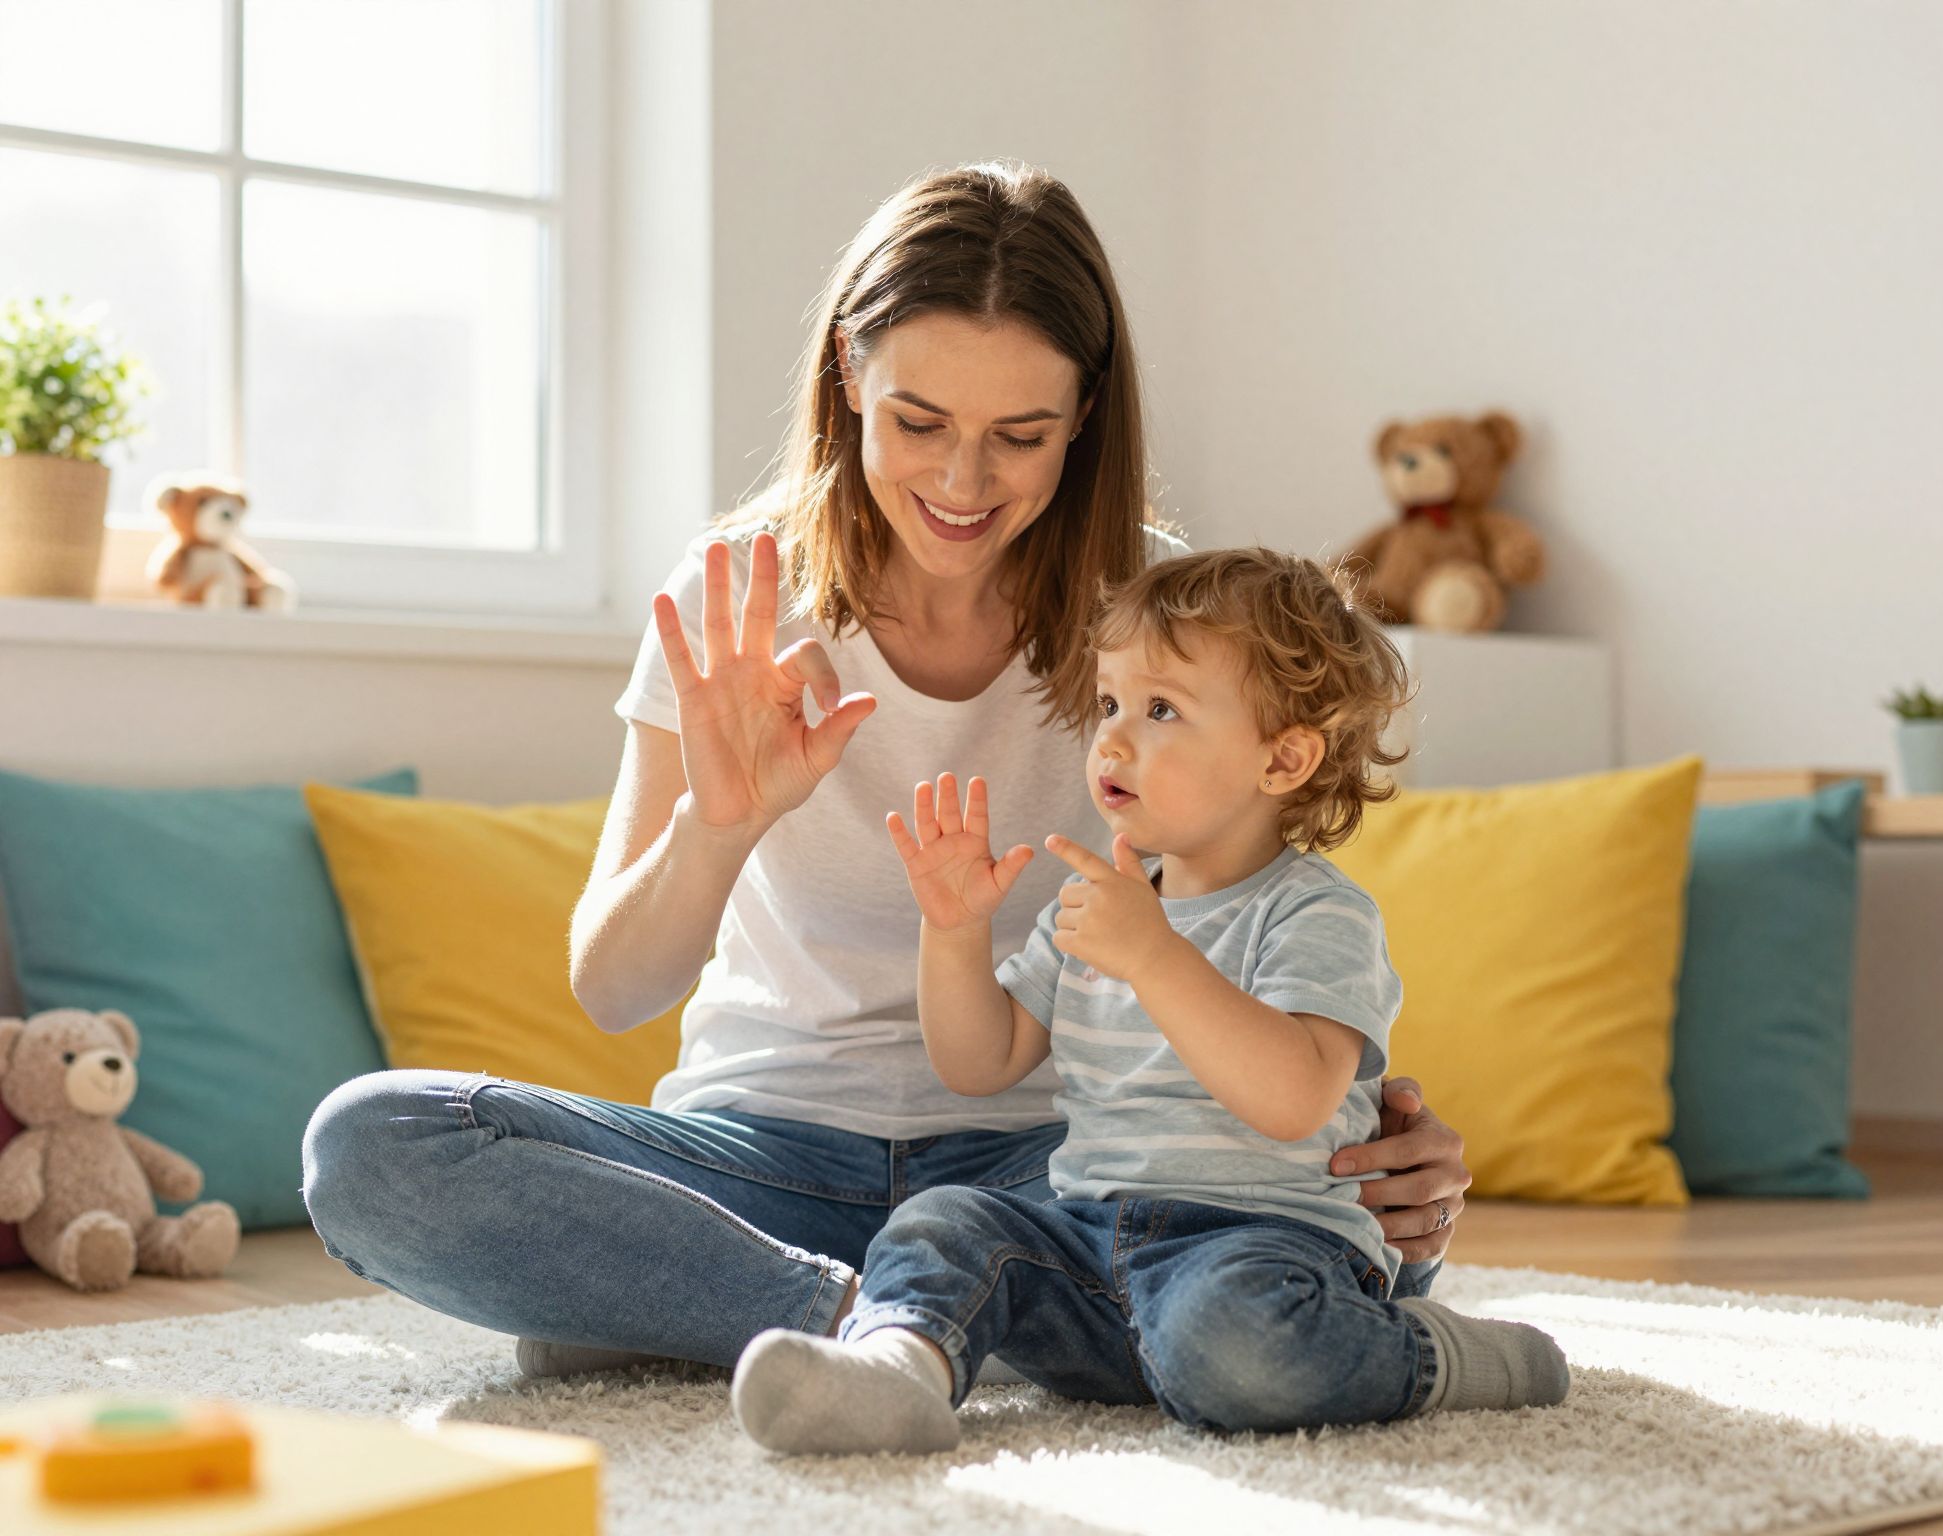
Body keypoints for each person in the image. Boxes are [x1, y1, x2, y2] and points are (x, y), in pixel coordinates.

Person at [300, 161, 1472, 1382]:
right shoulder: (736, 593)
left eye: (1019, 437)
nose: (962, 484)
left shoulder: (1157, 618)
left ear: (1083, 414)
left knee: (1270, 1263)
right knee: (376, 1145)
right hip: (762, 1155)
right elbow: (613, 989)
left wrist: (1361, 1143)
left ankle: (745, 1309)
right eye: (918, 423)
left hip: (1056, 1174)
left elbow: (1260, 920)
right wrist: (718, 823)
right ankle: (882, 1317)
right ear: (848, 376)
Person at [730, 549, 1567, 1455]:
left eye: (1160, 709)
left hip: (1263, 1248)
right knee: (944, 1222)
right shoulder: (1096, 903)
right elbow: (977, 1062)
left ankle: (1444, 1356)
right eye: (1108, 705)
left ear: (1283, 758)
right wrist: (955, 929)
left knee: (1234, 1344)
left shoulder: (1317, 914)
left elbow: (1293, 1099)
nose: (1114, 741)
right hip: (1090, 1240)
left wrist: (1155, 955)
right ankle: (898, 1371)